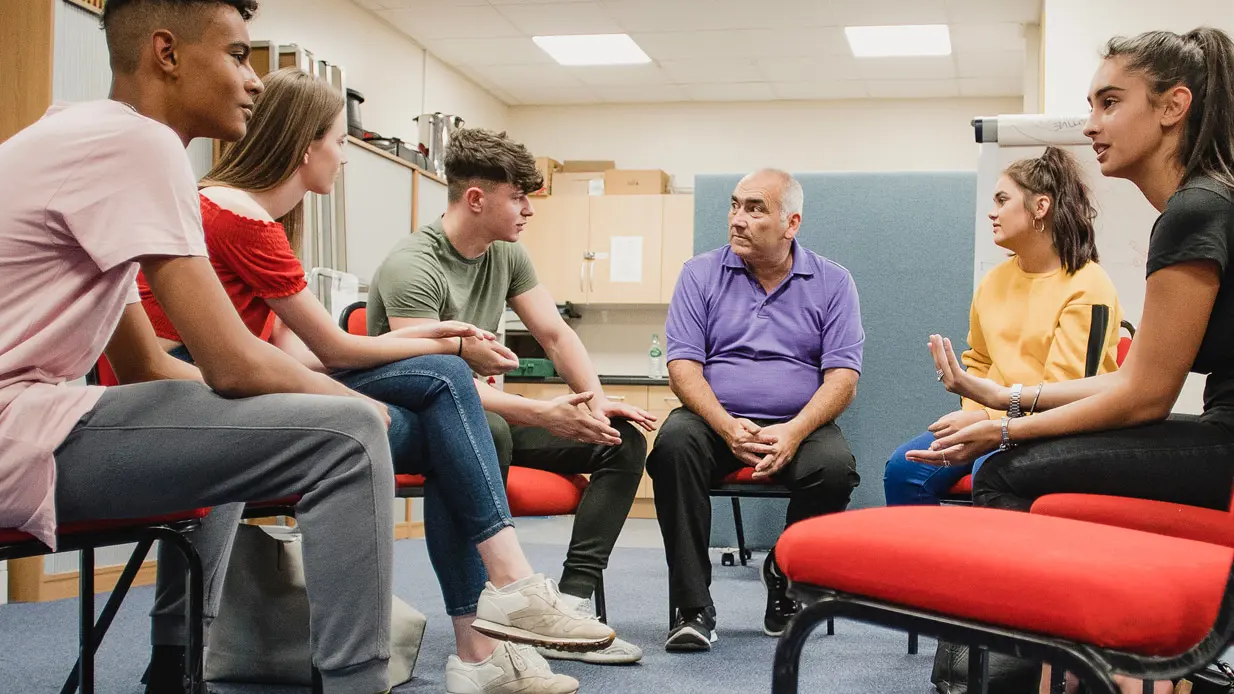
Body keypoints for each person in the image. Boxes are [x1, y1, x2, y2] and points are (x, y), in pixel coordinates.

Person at [135, 67, 609, 694]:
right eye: (338, 141)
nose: (345, 158)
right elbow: (325, 350)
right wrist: (429, 348)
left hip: (236, 385)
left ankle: (490, 630)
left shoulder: (251, 217)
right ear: (306, 145)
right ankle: (493, 618)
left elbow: (297, 354)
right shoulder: (238, 217)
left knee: (449, 406)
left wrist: (441, 335)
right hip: (196, 393)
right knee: (447, 394)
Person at [0, 1, 398, 693]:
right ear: (166, 52)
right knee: (352, 435)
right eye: (239, 56)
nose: (255, 82)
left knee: (225, 421)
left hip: (29, 419)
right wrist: (352, 403)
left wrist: (253, 407)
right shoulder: (139, 144)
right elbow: (235, 362)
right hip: (17, 429)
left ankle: (173, 669)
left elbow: (147, 364)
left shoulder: (81, 134)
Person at [909, 27, 1234, 694]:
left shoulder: (1195, 210)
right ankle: (1100, 660)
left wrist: (1003, 430)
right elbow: (1133, 379)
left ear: (1173, 107)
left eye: (1109, 103)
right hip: (1219, 436)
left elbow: (1143, 396)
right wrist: (1007, 398)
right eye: (1091, 105)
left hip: (1225, 448)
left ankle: (1026, 674)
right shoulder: (1204, 201)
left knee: (1005, 471)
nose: (1091, 125)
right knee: (1018, 460)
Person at [366, 128, 655, 666]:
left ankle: (570, 602)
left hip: (489, 411)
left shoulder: (507, 254)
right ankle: (488, 617)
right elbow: (434, 379)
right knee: (490, 426)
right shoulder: (414, 263)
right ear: (477, 198)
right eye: (518, 197)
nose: (528, 210)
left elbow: (556, 335)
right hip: (429, 424)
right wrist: (544, 412)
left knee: (619, 440)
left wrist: (591, 402)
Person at [647, 169, 864, 651]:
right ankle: (692, 605)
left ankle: (784, 573)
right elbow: (682, 365)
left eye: (754, 208)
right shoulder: (699, 274)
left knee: (833, 470)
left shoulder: (833, 282)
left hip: (800, 422)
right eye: (734, 205)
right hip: (714, 418)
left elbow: (843, 377)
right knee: (672, 448)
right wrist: (724, 426)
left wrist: (794, 430)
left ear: (791, 223)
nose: (737, 219)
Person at [884, 147, 1123, 506]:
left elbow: (1062, 394)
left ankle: (989, 562)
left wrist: (986, 417)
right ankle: (933, 562)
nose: (992, 213)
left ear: (1040, 207)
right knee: (903, 470)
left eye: (1002, 199)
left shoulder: (1089, 286)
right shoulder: (994, 281)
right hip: (993, 416)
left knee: (988, 472)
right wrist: (971, 416)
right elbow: (978, 362)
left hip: (1056, 429)